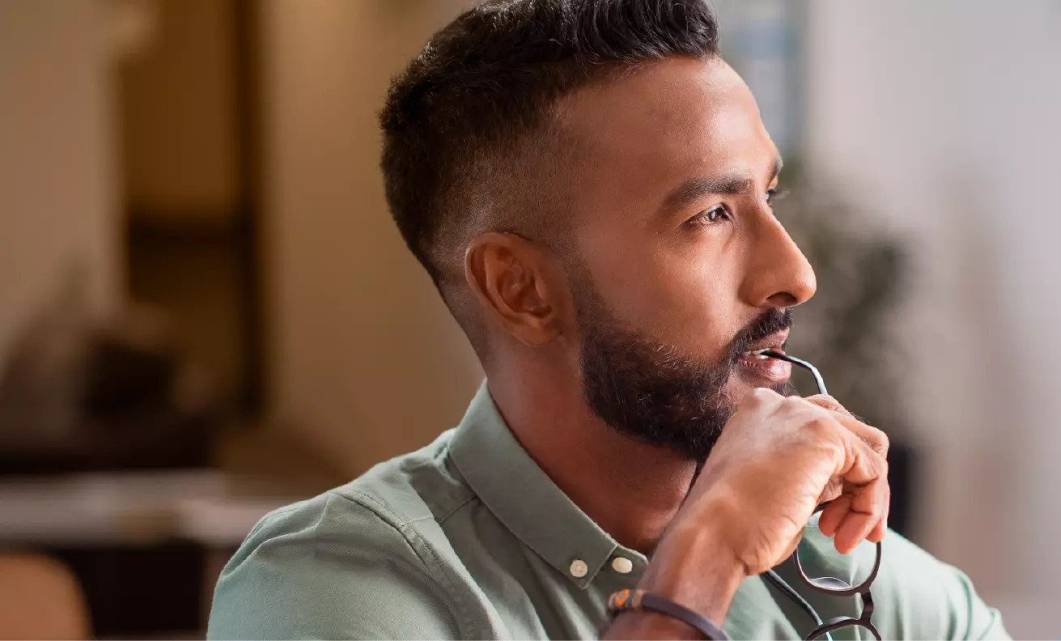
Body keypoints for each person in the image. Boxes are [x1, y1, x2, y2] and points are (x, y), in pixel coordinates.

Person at [206, 1, 1005, 638]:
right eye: (711, 215)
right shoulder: (328, 590)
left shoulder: (862, 584)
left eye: (769, 195)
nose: (795, 273)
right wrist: (706, 557)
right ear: (521, 290)